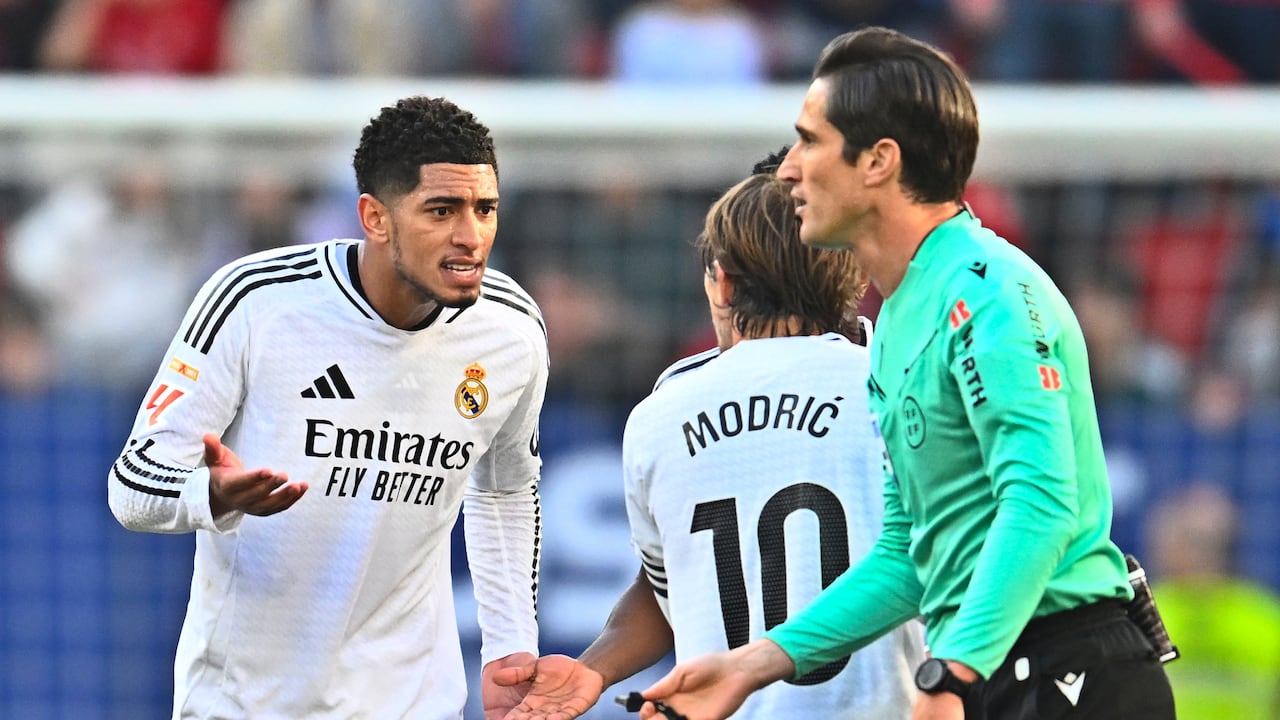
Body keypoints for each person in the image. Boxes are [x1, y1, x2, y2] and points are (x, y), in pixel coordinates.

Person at [631, 26, 1177, 720]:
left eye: (810, 140)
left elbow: (1039, 504)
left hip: (1066, 670)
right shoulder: (894, 325)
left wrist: (951, 674)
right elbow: (911, 554)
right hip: (997, 670)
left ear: (878, 162)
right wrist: (753, 664)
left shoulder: (990, 295)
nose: (790, 169)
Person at [106, 95, 549, 720]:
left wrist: (509, 644)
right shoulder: (255, 303)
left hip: (413, 703)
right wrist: (213, 494)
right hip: (247, 704)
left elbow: (505, 488)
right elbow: (131, 485)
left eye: (485, 209)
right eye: (441, 211)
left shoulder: (510, 331)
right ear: (375, 217)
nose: (471, 237)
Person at [493, 150, 923, 719]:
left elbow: (670, 584)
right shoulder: (900, 383)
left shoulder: (660, 417)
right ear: (854, 274)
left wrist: (594, 666)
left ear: (722, 285)